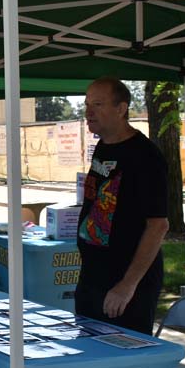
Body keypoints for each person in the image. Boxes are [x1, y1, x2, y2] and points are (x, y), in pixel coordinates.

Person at [75, 77, 168, 336]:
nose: (88, 112)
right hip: (93, 276)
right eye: (86, 104)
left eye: (98, 104)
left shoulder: (145, 156)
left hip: (123, 284)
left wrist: (127, 285)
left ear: (121, 108)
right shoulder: (103, 147)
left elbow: (158, 225)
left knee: (120, 362)